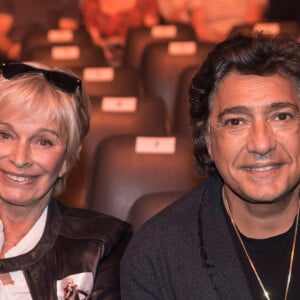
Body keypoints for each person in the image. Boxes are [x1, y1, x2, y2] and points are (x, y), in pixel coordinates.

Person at [120, 32, 300, 299]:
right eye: (236, 122)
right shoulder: (155, 257)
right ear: (207, 141)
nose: (262, 144)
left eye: (281, 116)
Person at [0, 61, 132, 299]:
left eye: (43, 141)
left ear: (67, 160)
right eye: (5, 135)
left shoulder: (101, 244)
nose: (20, 158)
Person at [81, 0, 159, 66]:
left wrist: (125, 46)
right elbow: (92, 37)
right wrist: (107, 46)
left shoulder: (146, 2)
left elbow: (149, 36)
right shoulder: (92, 3)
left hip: (137, 60)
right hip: (102, 58)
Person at [0, 0, 81, 61]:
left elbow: (68, 35)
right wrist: (10, 48)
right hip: (16, 56)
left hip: (50, 54)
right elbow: (1, 34)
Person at [157, 0, 268, 43]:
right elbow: (200, 32)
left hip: (244, 43)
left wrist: (228, 39)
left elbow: (249, 26)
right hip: (211, 45)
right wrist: (219, 40)